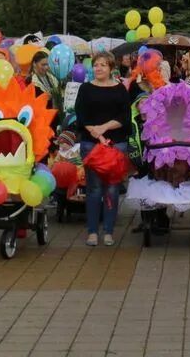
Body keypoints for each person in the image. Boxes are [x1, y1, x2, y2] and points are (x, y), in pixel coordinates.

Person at [73, 51, 132, 247]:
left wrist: (104, 128)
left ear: (111, 68)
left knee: (113, 189)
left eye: (103, 65)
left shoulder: (120, 89)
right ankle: (92, 231)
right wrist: (96, 134)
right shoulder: (86, 89)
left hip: (116, 143)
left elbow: (125, 117)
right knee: (94, 188)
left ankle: (108, 230)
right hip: (91, 144)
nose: (98, 68)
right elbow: (81, 115)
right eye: (96, 65)